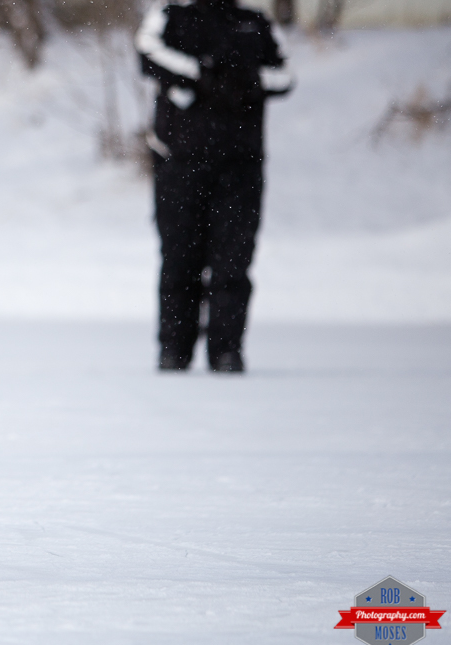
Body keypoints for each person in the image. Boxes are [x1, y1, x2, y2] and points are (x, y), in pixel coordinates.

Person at [135, 0, 293, 372]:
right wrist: (201, 73)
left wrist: (248, 79)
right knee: (179, 261)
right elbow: (146, 53)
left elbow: (285, 76)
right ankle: (174, 350)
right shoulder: (171, 15)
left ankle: (226, 351)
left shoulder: (255, 22)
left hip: (240, 166)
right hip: (180, 163)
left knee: (233, 262)